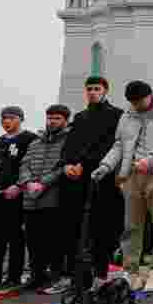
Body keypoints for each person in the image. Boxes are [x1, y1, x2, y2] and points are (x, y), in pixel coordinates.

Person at [92, 80, 153, 293]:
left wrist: (151, 159)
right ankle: (131, 271)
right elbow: (119, 144)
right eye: (133, 102)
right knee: (131, 226)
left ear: (150, 95)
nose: (137, 105)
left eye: (140, 101)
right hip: (131, 175)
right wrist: (106, 165)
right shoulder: (127, 115)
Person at [60, 76, 124, 290]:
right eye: (89, 89)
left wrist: (85, 164)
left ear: (105, 90)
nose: (92, 92)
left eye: (97, 89)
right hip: (76, 179)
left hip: (102, 176)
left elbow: (112, 145)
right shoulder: (80, 117)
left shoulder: (116, 115)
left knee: (101, 226)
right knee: (75, 226)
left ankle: (101, 271)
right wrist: (68, 163)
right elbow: (70, 144)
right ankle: (76, 274)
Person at [0, 106, 38, 290]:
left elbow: (30, 166)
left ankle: (13, 277)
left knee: (15, 238)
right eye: (3, 118)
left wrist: (19, 186)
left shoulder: (29, 139)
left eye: (11, 118)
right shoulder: (0, 141)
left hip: (16, 195)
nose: (6, 121)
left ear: (20, 119)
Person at [17, 105, 72, 292]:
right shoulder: (35, 142)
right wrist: (28, 182)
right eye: (49, 118)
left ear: (65, 120)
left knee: (55, 241)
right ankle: (36, 276)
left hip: (53, 198)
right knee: (33, 241)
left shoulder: (69, 140)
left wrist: (43, 183)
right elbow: (23, 164)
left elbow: (62, 167)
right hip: (31, 199)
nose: (52, 122)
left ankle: (56, 276)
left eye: (56, 118)